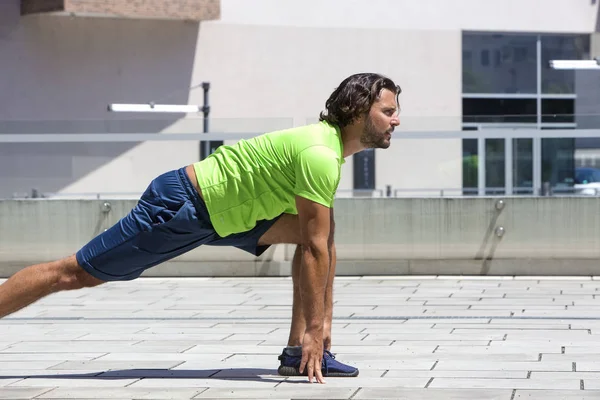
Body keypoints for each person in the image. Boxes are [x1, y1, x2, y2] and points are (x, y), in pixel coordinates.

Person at [0, 72, 401, 384]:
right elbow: (313, 250)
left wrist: (322, 326)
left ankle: (299, 353)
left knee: (320, 232)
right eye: (388, 111)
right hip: (184, 205)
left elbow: (317, 241)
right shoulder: (320, 154)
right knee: (73, 274)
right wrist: (318, 326)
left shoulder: (327, 149)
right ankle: (306, 342)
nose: (396, 120)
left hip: (231, 215)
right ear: (356, 111)